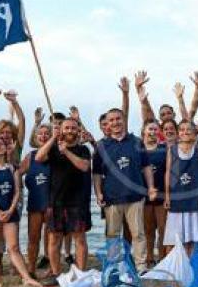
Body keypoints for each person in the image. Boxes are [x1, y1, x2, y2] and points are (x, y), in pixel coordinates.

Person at [93, 108, 157, 273]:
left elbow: (146, 167)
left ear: (123, 120)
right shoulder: (101, 146)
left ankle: (141, 266)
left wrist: (150, 187)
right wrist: (98, 193)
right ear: (107, 123)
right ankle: (114, 266)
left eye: (118, 119)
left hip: (135, 196)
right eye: (111, 120)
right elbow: (97, 173)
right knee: (113, 235)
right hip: (112, 197)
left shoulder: (136, 142)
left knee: (138, 234)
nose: (115, 122)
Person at [0, 137, 40, 287]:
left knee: (14, 247)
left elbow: (17, 192)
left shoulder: (13, 169)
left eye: (1, 144)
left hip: (10, 212)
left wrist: (11, 209)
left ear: (6, 149)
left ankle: (26, 277)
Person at [37, 118, 94, 277]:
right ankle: (56, 274)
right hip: (56, 202)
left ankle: (81, 274)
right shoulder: (53, 148)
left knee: (80, 239)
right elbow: (39, 158)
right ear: (61, 130)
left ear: (77, 131)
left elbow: (84, 166)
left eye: (73, 128)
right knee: (54, 239)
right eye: (66, 128)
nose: (70, 131)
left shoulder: (83, 149)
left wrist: (66, 152)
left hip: (78, 202)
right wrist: (53, 139)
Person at [164, 120, 198, 255]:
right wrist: (167, 196)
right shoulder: (172, 150)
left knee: (193, 235)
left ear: (194, 132)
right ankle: (178, 264)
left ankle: (192, 264)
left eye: (188, 129)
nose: (185, 132)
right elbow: (169, 173)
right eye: (182, 129)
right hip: (178, 196)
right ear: (178, 132)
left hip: (195, 197)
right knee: (175, 236)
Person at [18, 123, 52, 279]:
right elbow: (17, 173)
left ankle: (52, 267)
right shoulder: (30, 156)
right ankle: (31, 268)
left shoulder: (57, 154)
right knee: (33, 238)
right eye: (41, 134)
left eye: (47, 133)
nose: (43, 136)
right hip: (35, 202)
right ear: (36, 137)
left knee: (51, 239)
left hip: (52, 203)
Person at [141, 120, 168, 264]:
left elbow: (169, 173)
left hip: (161, 194)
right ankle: (149, 257)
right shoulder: (139, 149)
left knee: (163, 229)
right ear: (144, 131)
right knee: (148, 229)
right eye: (150, 129)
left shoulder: (164, 149)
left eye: (155, 129)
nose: (152, 132)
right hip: (143, 196)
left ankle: (162, 258)